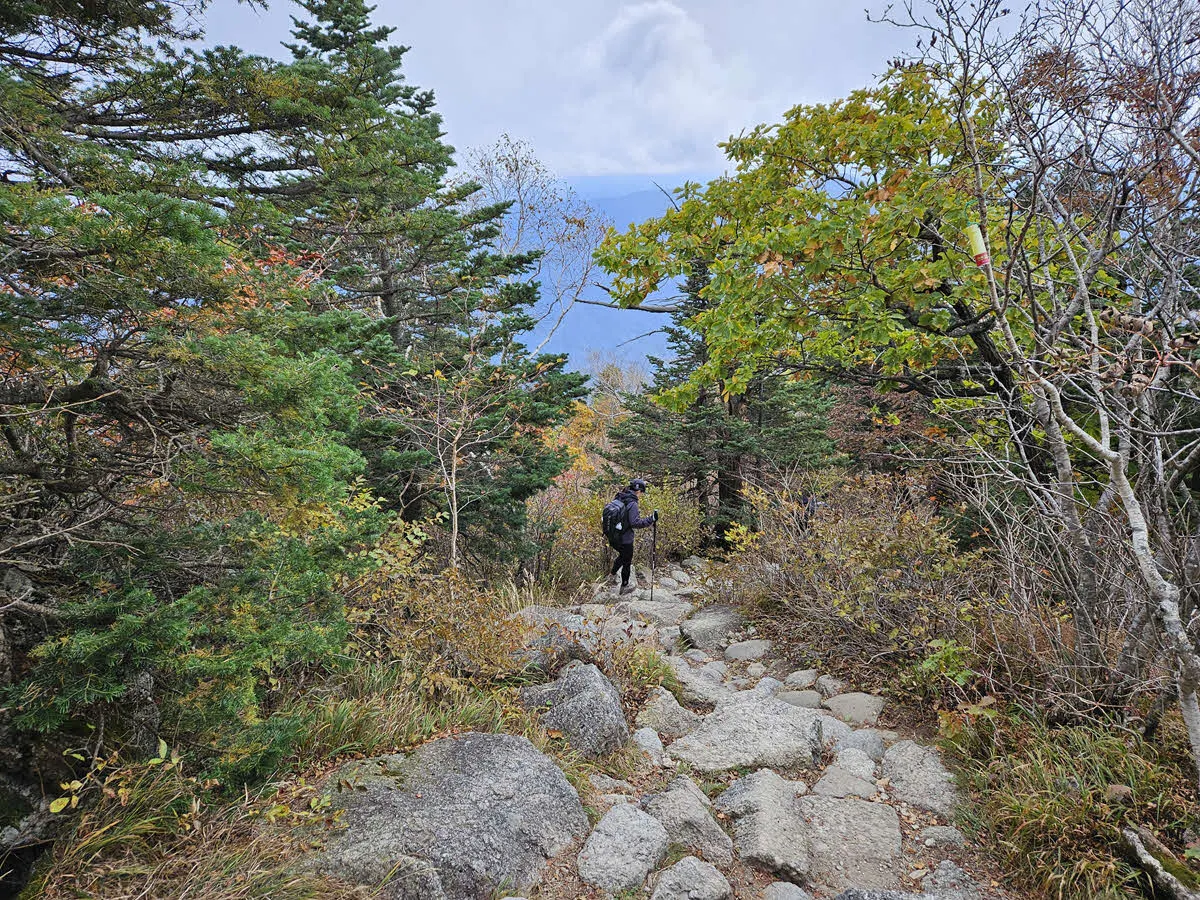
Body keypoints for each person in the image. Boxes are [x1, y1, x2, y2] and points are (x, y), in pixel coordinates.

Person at [608, 478, 658, 595]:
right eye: (642, 493)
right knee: (627, 561)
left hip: (613, 535)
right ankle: (624, 586)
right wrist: (651, 519)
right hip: (625, 538)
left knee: (622, 555)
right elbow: (635, 523)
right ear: (638, 491)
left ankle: (612, 574)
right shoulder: (632, 503)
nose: (641, 495)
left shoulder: (620, 497)